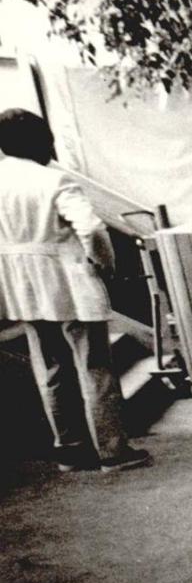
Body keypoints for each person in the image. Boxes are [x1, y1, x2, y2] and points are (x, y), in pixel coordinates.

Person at [0, 108, 151, 472]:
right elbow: (93, 229)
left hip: (22, 285)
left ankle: (70, 446)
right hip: (69, 281)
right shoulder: (55, 180)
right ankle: (113, 450)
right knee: (95, 366)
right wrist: (104, 265)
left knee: (49, 367)